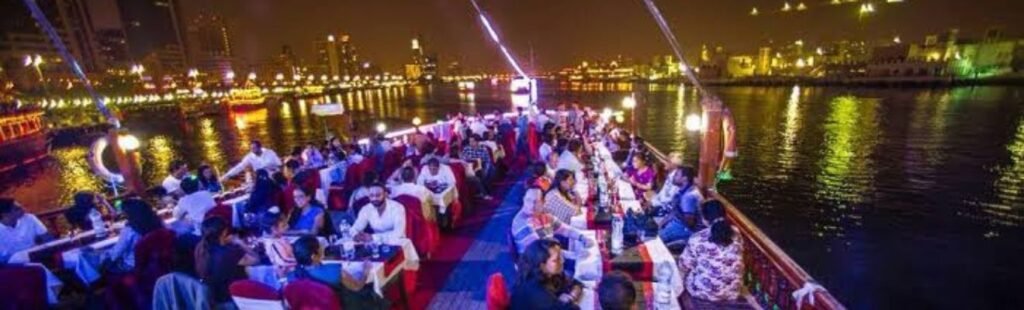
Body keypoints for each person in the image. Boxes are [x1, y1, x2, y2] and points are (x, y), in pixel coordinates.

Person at [287, 236, 385, 309]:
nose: (322, 247)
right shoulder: (334, 270)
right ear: (313, 256)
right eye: (319, 246)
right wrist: (365, 271)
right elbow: (357, 287)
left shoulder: (292, 276)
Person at [678, 200, 743, 302]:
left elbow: (684, 266)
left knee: (684, 270)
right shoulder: (737, 233)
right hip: (733, 292)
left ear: (704, 219)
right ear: (725, 215)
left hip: (703, 292)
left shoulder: (698, 238)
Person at [511, 175, 590, 254]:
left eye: (535, 202)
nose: (531, 205)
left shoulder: (543, 215)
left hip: (549, 256)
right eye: (528, 200)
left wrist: (582, 237)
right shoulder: (523, 223)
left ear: (543, 203)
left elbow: (564, 229)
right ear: (523, 199)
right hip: (536, 263)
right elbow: (545, 252)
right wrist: (575, 255)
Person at [194, 217, 260, 306]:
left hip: (215, 298)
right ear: (224, 232)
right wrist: (239, 242)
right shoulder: (229, 252)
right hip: (233, 299)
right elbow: (256, 259)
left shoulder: (200, 249)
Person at [510, 239, 582, 310]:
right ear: (542, 265)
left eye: (561, 256)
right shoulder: (535, 290)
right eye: (556, 260)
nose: (563, 261)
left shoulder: (551, 274)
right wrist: (571, 299)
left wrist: (571, 296)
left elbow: (575, 283)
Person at [105, 198, 164, 272]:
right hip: (158, 261)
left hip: (134, 266)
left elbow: (116, 253)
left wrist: (104, 256)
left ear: (128, 214)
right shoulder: (159, 222)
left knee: (104, 263)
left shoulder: (129, 230)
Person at [0, 198, 53, 263]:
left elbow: (47, 237)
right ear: (5, 214)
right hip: (12, 266)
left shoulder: (29, 218)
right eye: (17, 209)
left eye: (21, 206)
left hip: (36, 258)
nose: (23, 209)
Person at [658, 166, 702, 244]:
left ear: (684, 178)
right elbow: (674, 212)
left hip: (685, 228)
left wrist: (671, 226)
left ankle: (684, 240)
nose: (674, 177)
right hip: (677, 222)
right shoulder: (682, 190)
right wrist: (662, 223)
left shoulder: (688, 197)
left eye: (677, 175)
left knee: (653, 239)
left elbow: (690, 223)